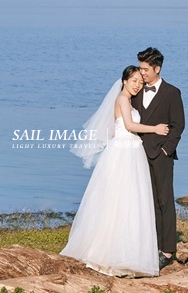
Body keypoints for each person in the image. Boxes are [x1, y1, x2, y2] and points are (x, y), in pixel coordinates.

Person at [61, 65, 170, 277]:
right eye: (134, 81)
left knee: (129, 202)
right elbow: (129, 125)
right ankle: (110, 253)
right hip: (124, 153)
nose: (137, 85)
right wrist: (155, 129)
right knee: (119, 200)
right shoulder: (122, 99)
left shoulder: (128, 101)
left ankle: (128, 252)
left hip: (129, 151)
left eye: (140, 82)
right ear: (124, 81)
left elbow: (116, 128)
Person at [132, 47, 185, 269]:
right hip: (138, 155)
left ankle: (167, 250)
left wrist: (166, 150)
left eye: (145, 69)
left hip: (161, 155)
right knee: (147, 201)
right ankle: (151, 245)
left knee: (165, 201)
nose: (142, 73)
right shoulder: (136, 91)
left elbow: (178, 125)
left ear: (157, 68)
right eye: (140, 68)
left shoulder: (172, 93)